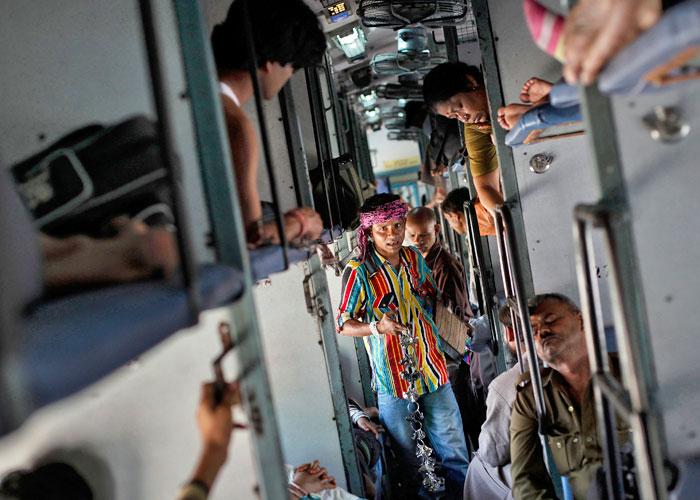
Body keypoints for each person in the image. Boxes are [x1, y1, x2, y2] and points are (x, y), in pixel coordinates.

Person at [336, 193, 469, 498]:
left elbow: (431, 295)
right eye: (383, 228)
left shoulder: (413, 258)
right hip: (392, 382)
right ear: (369, 232)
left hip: (432, 369)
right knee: (412, 463)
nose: (392, 234)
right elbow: (343, 324)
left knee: (454, 451)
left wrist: (447, 320)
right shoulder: (357, 271)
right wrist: (376, 327)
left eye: (397, 226)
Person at [211, 0, 325, 247]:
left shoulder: (194, 96)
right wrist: (300, 222)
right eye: (292, 67)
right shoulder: (235, 126)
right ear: (270, 63)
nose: (289, 76)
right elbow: (250, 242)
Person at [509, 293, 631, 500]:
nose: (542, 332)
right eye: (533, 330)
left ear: (581, 320)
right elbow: (526, 481)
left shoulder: (630, 375)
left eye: (550, 321)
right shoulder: (532, 398)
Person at [405, 207, 485, 450]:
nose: (418, 241)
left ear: (436, 230)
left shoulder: (442, 266)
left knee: (464, 415)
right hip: (445, 350)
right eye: (413, 236)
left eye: (424, 235)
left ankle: (479, 462)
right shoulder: (424, 262)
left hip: (452, 352)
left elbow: (456, 312)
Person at [422, 62, 504, 215]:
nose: (464, 118)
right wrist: (504, 220)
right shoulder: (476, 127)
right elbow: (485, 187)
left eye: (459, 106)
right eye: (454, 116)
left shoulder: (507, 79)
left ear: (470, 83)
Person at [463, 305, 523, 500]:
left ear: (509, 332)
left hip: (540, 471)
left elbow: (493, 453)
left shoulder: (507, 384)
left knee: (479, 465)